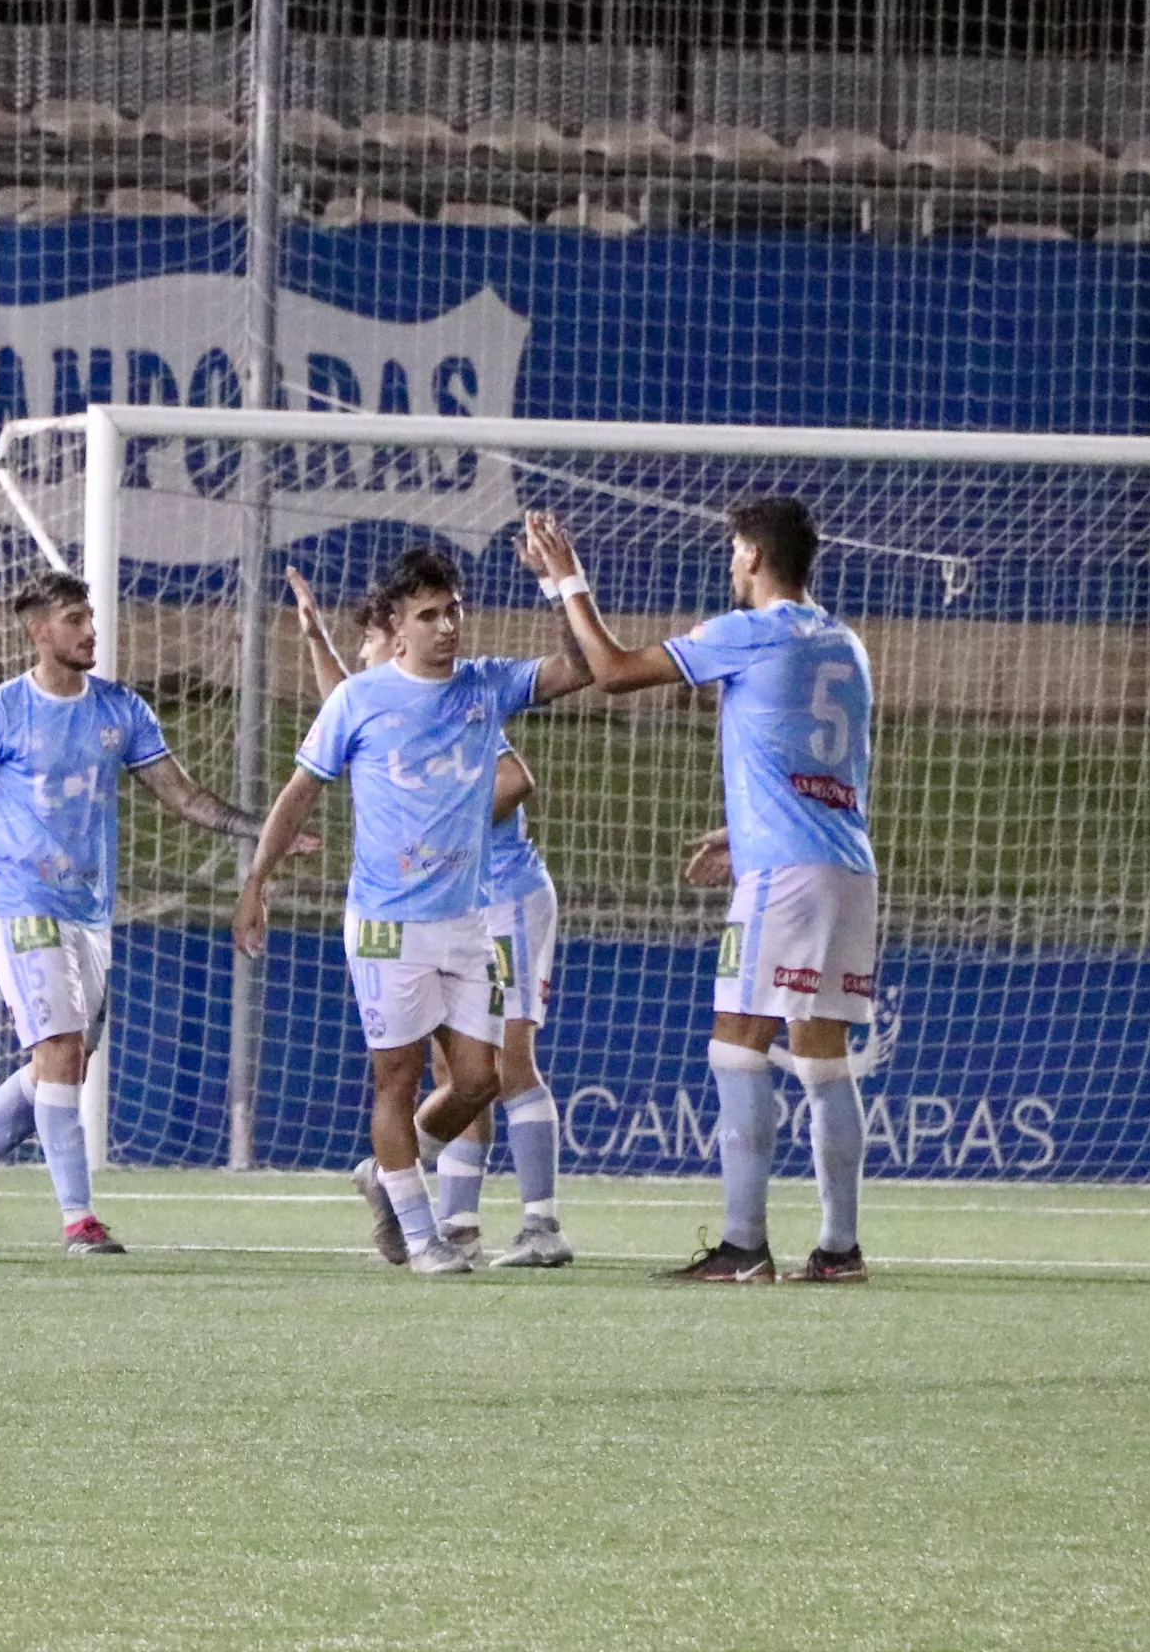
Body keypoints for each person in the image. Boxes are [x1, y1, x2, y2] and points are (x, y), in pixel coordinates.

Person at [532, 497, 875, 1284]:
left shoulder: (747, 631)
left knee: (737, 1044)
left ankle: (743, 1246)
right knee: (824, 1059)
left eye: (732, 550)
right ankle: (839, 1249)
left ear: (753, 556)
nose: (729, 563)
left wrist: (566, 582)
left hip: (784, 874)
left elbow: (614, 672)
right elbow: (836, 760)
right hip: (846, 863)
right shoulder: (845, 643)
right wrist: (744, 830)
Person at [232, 539, 588, 1276]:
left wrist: (561, 588)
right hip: (388, 923)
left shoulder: (484, 687)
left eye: (453, 610)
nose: (447, 625)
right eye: (430, 614)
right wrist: (256, 881)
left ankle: (389, 1179)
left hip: (467, 920)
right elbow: (301, 791)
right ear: (397, 626)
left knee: (480, 1080)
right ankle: (423, 1236)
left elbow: (578, 669)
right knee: (395, 1079)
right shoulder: (358, 700)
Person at [0, 567, 277, 1253]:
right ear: (37, 631)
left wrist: (265, 829)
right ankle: (78, 1221)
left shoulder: (121, 710)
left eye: (90, 617)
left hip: (90, 918)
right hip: (23, 909)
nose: (91, 629)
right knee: (59, 1052)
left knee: (56, 1071)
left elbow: (184, 797)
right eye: (73, 618)